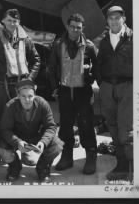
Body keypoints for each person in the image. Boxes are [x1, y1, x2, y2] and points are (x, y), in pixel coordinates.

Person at [48, 13, 98, 174]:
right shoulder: (58, 45)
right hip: (64, 91)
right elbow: (51, 68)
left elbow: (97, 68)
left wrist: (90, 81)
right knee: (65, 126)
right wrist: (54, 87)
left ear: (82, 29)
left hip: (82, 91)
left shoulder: (89, 46)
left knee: (86, 124)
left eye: (78, 27)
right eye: (72, 26)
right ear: (67, 27)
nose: (75, 30)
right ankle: (66, 156)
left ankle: (91, 157)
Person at [0, 8, 41, 129]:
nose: (12, 23)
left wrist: (30, 79)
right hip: (2, 84)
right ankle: (0, 144)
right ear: (3, 21)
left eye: (15, 21)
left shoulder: (26, 40)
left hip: (22, 84)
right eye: (9, 20)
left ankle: (17, 143)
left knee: (20, 115)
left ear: (19, 22)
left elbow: (36, 60)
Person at [0, 80, 63, 183]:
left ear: (34, 95)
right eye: (23, 96)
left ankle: (42, 168)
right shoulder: (10, 106)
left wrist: (43, 142)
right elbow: (5, 130)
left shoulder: (42, 104)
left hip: (36, 136)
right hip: (17, 137)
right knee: (3, 150)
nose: (27, 100)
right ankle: (15, 167)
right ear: (18, 96)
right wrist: (18, 142)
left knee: (57, 145)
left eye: (30, 96)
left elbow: (51, 126)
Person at [96, 6, 133, 181]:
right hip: (108, 87)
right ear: (107, 21)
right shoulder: (104, 41)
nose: (114, 21)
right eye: (111, 18)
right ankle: (122, 166)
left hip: (127, 86)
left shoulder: (133, 38)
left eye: (117, 17)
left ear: (123, 19)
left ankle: (133, 167)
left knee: (126, 128)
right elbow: (99, 64)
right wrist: (102, 84)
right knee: (112, 125)